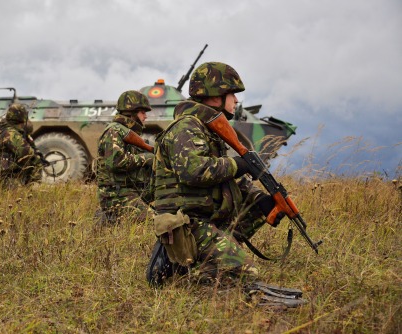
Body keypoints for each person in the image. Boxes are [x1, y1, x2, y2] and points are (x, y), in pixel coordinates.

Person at [151, 62, 285, 285]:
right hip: (188, 223)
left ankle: (206, 261)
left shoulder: (207, 130)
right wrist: (239, 164)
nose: (236, 101)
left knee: (256, 207)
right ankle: (185, 273)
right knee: (246, 275)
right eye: (232, 94)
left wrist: (260, 199)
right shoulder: (187, 127)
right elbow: (194, 171)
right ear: (215, 96)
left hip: (206, 218)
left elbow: (229, 177)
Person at [95, 90, 155, 224]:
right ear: (132, 113)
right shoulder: (114, 131)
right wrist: (146, 158)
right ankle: (107, 216)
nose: (145, 116)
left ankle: (107, 219)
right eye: (142, 112)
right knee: (152, 223)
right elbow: (115, 162)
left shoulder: (126, 132)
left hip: (127, 190)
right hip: (116, 194)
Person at [0, 103, 44, 189]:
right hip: (4, 179)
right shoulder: (10, 133)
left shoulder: (10, 130)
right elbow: (27, 153)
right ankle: (33, 190)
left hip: (8, 175)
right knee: (35, 162)